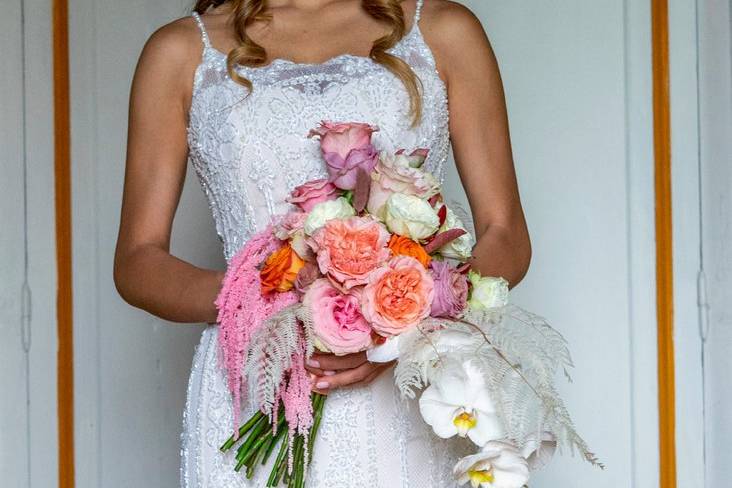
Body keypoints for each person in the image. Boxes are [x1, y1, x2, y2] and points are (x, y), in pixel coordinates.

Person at [113, 0, 531, 486]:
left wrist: (392, 320)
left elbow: (507, 235)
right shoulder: (181, 50)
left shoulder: (444, 29)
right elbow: (138, 261)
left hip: (411, 386)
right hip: (256, 379)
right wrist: (275, 306)